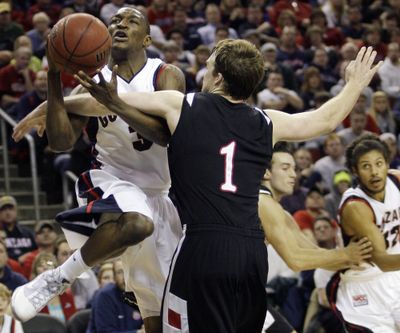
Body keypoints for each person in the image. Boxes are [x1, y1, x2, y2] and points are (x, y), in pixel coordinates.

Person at [14, 43, 379, 331]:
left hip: (201, 248)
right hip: (252, 254)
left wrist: (49, 104)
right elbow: (326, 119)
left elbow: (102, 103)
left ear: (217, 77)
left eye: (208, 68)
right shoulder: (270, 122)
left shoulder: (181, 104)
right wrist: (355, 83)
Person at [12, 7, 185, 333]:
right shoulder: (88, 83)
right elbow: (62, 142)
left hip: (161, 195)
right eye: (115, 21)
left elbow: (165, 134)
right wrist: (53, 76)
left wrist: (115, 103)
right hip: (111, 180)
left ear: (147, 37)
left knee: (158, 315)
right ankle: (57, 278)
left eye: (131, 21)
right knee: (135, 223)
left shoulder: (165, 74)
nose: (120, 24)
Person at [260, 143, 372, 333]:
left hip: (246, 294)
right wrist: (346, 255)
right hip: (224, 291)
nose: (293, 175)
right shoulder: (259, 201)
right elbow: (296, 260)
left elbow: (315, 254)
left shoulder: (282, 214)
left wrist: (357, 260)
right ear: (266, 172)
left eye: (294, 169)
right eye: (285, 168)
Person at [327, 134, 400, 332]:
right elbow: (383, 261)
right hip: (363, 284)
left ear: (387, 164)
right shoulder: (355, 207)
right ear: (355, 171)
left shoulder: (396, 180)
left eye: (379, 164)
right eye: (366, 166)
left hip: (395, 275)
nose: (374, 172)